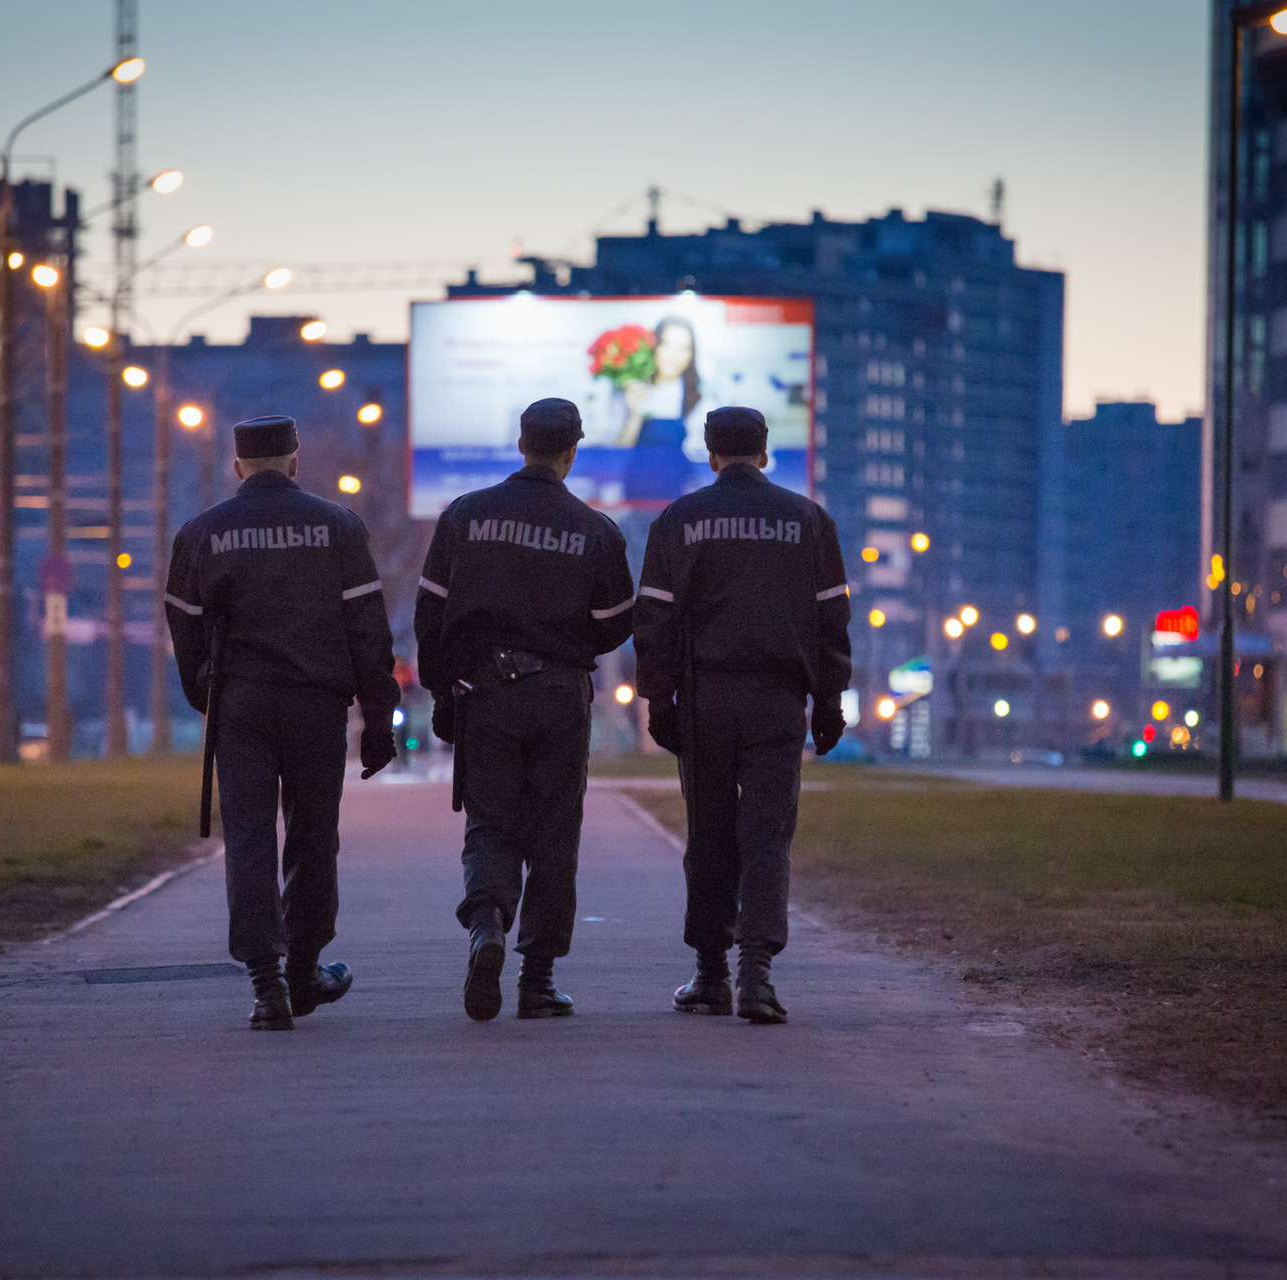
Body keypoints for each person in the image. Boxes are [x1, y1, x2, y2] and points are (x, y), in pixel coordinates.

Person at [164, 415, 400, 1031]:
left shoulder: (202, 534)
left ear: (237, 468)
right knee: (314, 839)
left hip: (239, 707)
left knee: (248, 838)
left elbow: (184, 629)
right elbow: (368, 631)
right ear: (295, 462)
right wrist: (378, 718)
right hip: (316, 707)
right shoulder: (339, 527)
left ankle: (266, 986)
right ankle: (304, 972)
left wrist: (205, 696)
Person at [415, 397, 636, 1021]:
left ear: (520, 445)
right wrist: (567, 650)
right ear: (571, 452)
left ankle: (487, 926)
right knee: (554, 834)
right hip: (560, 697)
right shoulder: (596, 531)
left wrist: (442, 688)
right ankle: (537, 979)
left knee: (489, 824)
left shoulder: (464, 516)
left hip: (485, 694)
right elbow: (618, 622)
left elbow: (431, 611)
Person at [632, 405, 852, 1024]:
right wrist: (830, 701)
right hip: (779, 701)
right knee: (766, 837)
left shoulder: (679, 520)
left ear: (709, 454)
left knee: (708, 835)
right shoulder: (809, 521)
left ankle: (709, 975)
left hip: (706, 701)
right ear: (764, 452)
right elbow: (832, 623)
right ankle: (757, 976)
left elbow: (653, 620)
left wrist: (659, 698)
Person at [615, 316, 705, 502]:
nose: (674, 355)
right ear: (654, 347)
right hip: (634, 500)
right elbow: (617, 455)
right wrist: (635, 415)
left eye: (684, 348)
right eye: (667, 345)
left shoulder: (699, 398)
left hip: (679, 502)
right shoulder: (632, 389)